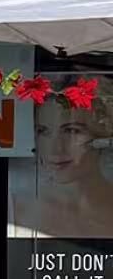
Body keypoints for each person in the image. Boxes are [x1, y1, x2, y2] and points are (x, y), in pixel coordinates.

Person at [8, 79, 113, 238]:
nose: (55, 150)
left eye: (71, 131)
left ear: (103, 135)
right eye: (42, 131)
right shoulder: (15, 208)